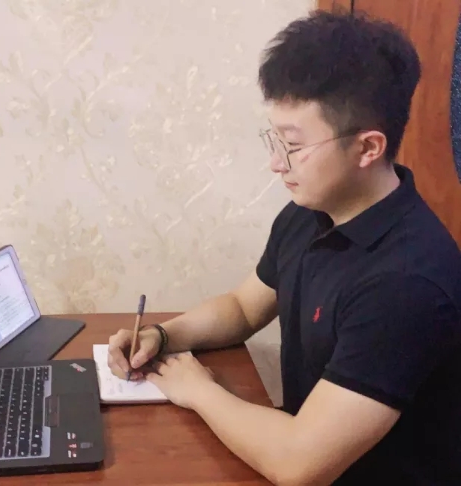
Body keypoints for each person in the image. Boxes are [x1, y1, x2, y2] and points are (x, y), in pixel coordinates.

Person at [107, 9, 461, 486]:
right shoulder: (310, 212)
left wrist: (198, 390)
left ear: (367, 148)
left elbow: (298, 464)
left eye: (293, 145)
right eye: (275, 139)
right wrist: (164, 336)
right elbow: (243, 307)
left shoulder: (406, 284)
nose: (276, 163)